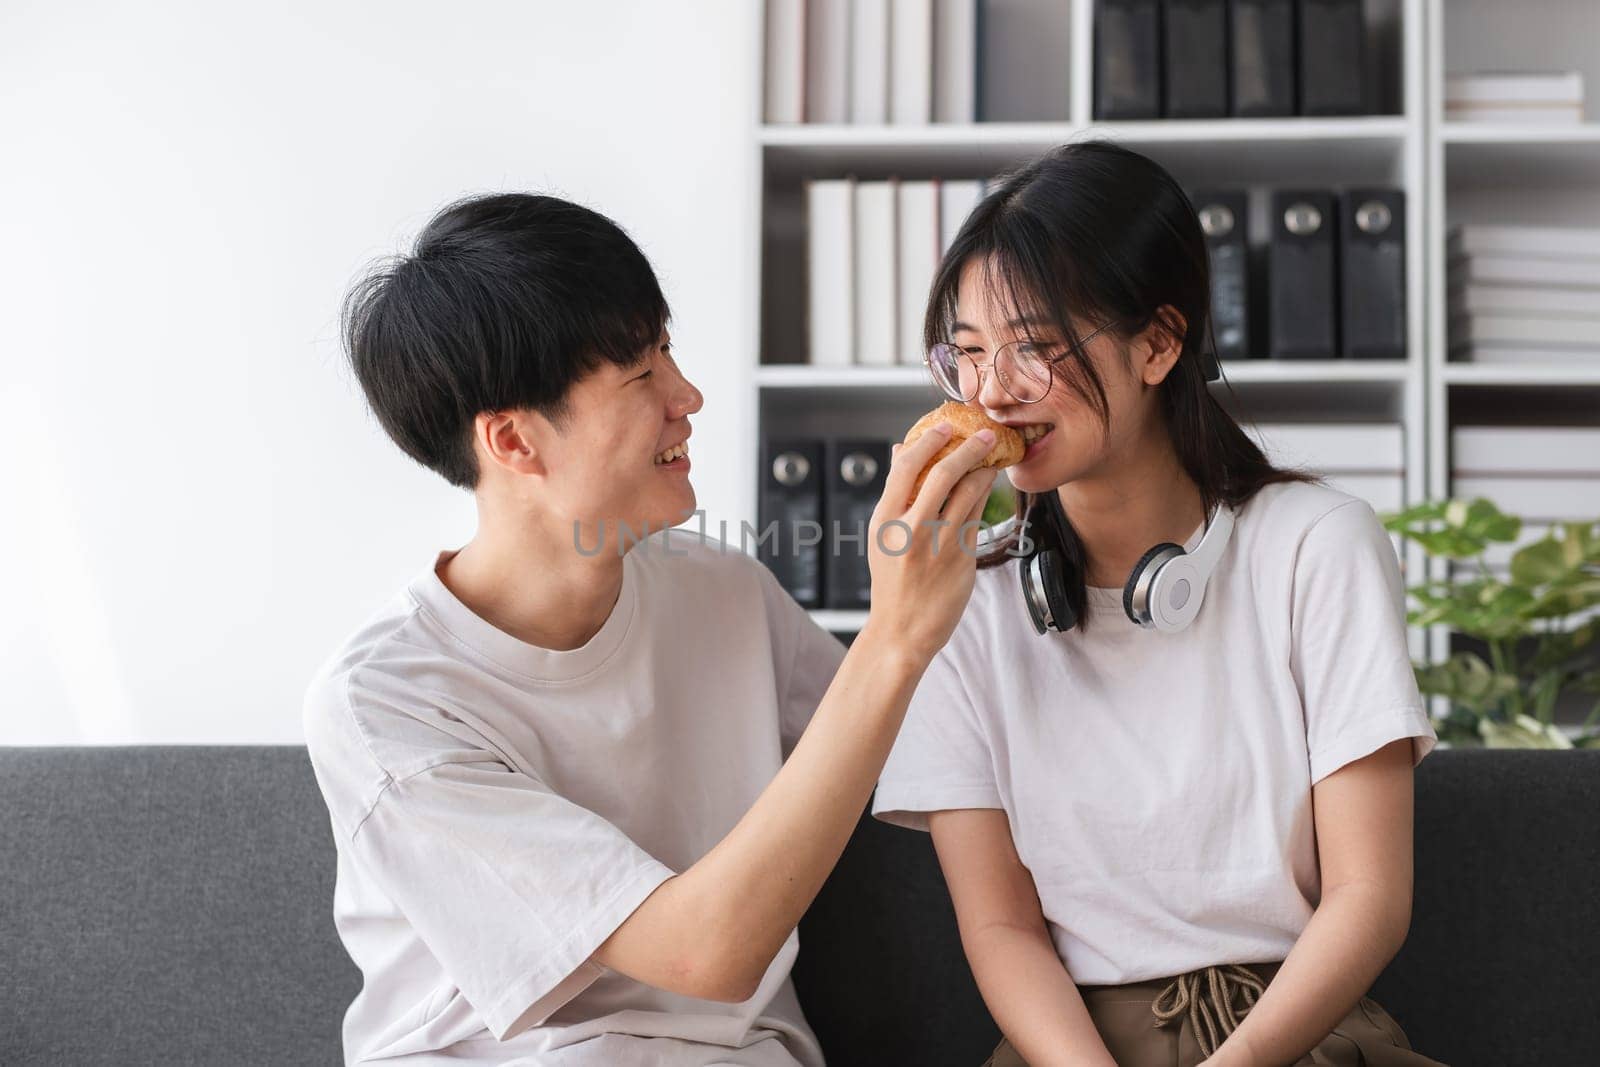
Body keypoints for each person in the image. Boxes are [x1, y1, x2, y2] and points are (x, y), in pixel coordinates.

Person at [302, 192, 998, 1065]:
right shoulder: (385, 705)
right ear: (514, 442)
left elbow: (927, 762)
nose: (688, 394)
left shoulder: (721, 591)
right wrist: (892, 634)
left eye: (666, 347)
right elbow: (704, 950)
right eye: (640, 374)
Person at [872, 142, 1445, 1067]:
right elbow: (1002, 929)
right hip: (1069, 1049)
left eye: (1036, 347)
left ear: (1159, 343)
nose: (993, 392)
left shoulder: (1315, 545)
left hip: (1295, 1035)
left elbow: (1369, 899)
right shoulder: (960, 603)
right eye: (969, 354)